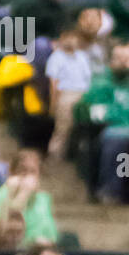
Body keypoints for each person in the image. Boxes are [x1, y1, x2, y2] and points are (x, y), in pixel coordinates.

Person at [76, 40, 129, 203]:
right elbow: (88, 112)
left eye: (128, 58)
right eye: (119, 58)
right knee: (119, 140)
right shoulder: (101, 84)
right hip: (112, 131)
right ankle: (113, 190)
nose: (124, 63)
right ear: (111, 61)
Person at [0, 149, 58, 246]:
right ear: (12, 173)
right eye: (23, 170)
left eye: (33, 171)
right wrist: (20, 195)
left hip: (36, 251)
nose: (27, 176)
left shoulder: (43, 198)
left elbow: (51, 235)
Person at [45, 27, 93, 160]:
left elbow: (88, 78)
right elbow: (53, 84)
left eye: (74, 37)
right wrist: (53, 103)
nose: (72, 41)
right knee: (63, 129)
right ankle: (55, 157)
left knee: (83, 129)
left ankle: (78, 157)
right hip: (66, 95)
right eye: (68, 37)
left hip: (84, 94)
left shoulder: (82, 56)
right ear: (62, 38)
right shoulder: (56, 58)